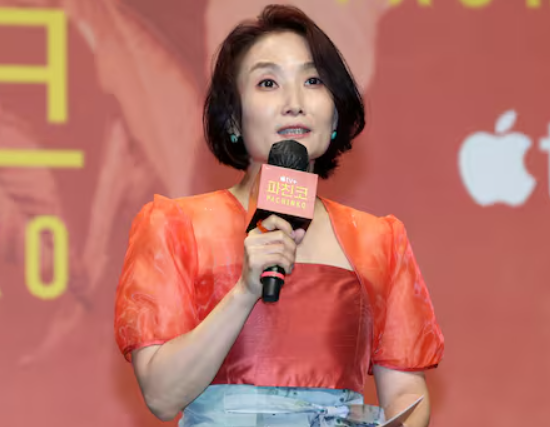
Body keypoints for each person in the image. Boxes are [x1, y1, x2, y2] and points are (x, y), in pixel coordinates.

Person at [114, 4, 444, 427]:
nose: (294, 103)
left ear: (336, 112)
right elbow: (162, 396)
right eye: (268, 83)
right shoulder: (176, 226)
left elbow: (405, 392)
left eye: (313, 81)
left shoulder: (379, 239)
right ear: (233, 118)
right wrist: (244, 291)